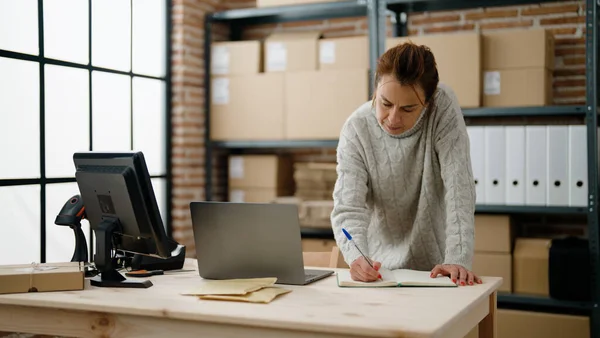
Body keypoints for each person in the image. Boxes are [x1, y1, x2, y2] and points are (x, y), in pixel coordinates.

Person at [330, 41, 481, 286]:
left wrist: (458, 258)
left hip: (439, 269)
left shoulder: (442, 108)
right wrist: (356, 256)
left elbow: (459, 185)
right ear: (375, 90)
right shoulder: (356, 129)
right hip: (380, 272)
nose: (392, 119)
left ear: (428, 102)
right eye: (385, 103)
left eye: (408, 108)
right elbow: (349, 207)